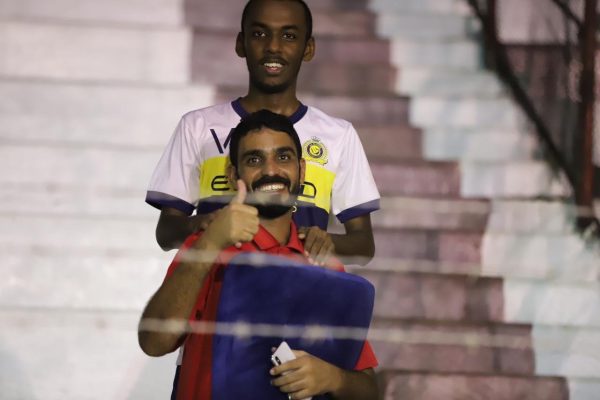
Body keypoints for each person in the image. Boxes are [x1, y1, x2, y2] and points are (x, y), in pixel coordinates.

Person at [139, 110, 379, 400]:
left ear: (302, 170)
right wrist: (211, 242)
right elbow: (154, 342)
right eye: (254, 160)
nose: (271, 170)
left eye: (283, 157)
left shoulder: (325, 266)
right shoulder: (207, 248)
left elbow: (371, 390)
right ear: (233, 175)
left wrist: (333, 378)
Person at [145, 0, 380, 266]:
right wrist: (207, 226)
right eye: (259, 33)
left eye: (289, 36)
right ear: (241, 43)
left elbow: (364, 245)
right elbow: (166, 233)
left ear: (308, 48)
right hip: (218, 288)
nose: (273, 46)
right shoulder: (197, 126)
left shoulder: (338, 135)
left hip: (299, 288)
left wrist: (324, 241)